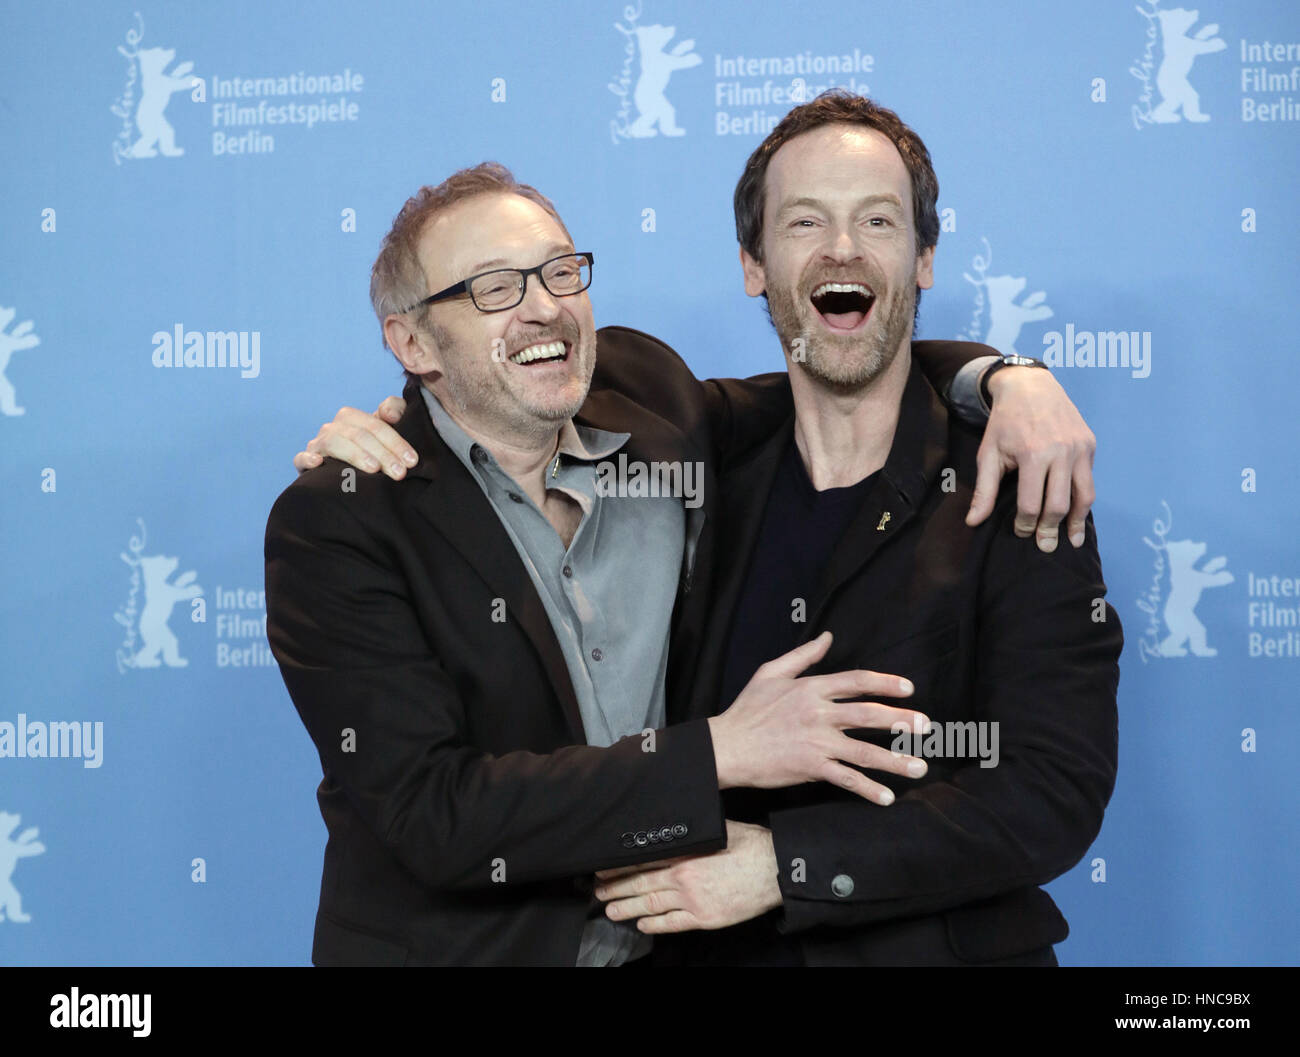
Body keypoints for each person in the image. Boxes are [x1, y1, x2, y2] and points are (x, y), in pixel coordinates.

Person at [276, 107, 1103, 965]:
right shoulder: (355, 515)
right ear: (755, 265)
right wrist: (723, 751)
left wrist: (1012, 377)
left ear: (923, 256)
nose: (542, 309)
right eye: (805, 221)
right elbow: (434, 813)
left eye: (560, 273)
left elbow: (1051, 792)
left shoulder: (1017, 480)